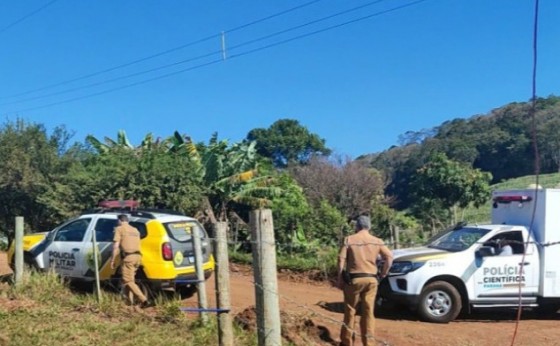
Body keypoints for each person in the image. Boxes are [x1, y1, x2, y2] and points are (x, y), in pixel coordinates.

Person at [337, 215, 393, 346]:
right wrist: (383, 274)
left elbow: (341, 259)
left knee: (350, 310)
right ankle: (369, 343)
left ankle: (347, 342)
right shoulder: (377, 241)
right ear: (369, 227)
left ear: (357, 226)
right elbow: (389, 257)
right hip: (372, 279)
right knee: (368, 312)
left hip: (354, 280)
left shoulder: (349, 239)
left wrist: (340, 278)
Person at [111, 214, 153, 308]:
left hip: (128, 258)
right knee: (130, 280)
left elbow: (116, 246)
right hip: (137, 257)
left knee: (127, 281)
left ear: (120, 221)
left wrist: (113, 259)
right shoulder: (135, 230)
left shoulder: (119, 229)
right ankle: (128, 302)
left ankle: (144, 300)